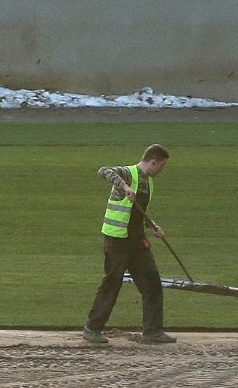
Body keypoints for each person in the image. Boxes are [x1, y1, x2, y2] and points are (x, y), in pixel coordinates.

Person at [83, 144, 177, 344]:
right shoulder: (128, 173)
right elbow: (104, 170)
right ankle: (92, 328)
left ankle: (153, 331)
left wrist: (152, 227)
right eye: (162, 165)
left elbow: (137, 211)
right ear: (153, 162)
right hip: (117, 240)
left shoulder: (149, 183)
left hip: (137, 240)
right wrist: (124, 187)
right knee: (111, 283)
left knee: (152, 283)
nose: (162, 170)